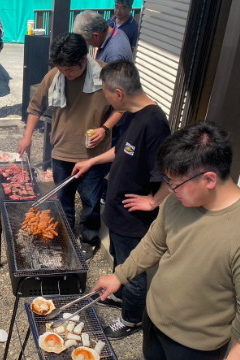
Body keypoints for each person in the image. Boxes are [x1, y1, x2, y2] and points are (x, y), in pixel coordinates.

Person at [91, 121, 240, 360]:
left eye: (174, 182)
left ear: (209, 179)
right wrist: (120, 276)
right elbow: (154, 243)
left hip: (196, 346)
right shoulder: (178, 202)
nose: (169, 189)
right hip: (155, 321)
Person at [73, 61, 171, 338]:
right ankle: (123, 295)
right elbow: (121, 150)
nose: (104, 97)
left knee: (134, 270)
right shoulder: (132, 113)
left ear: (118, 93)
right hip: (117, 211)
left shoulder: (155, 124)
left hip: (133, 217)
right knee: (119, 260)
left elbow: (171, 173)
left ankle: (131, 319)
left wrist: (153, 201)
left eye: (104, 92)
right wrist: (91, 162)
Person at [18, 33, 123, 261]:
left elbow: (122, 107)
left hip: (93, 155)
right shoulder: (55, 75)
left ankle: (88, 240)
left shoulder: (106, 75)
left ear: (84, 59)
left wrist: (104, 128)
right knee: (63, 198)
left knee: (90, 200)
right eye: (62, 70)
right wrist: (27, 137)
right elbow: (35, 106)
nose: (65, 75)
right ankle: (64, 232)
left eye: (69, 71)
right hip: (62, 150)